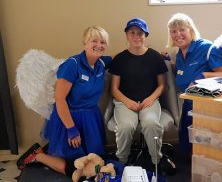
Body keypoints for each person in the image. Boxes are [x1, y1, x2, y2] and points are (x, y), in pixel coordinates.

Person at [16, 26, 112, 178]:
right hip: (69, 117)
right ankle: (36, 155)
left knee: (93, 161)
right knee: (74, 168)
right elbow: (59, 99)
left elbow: (123, 57)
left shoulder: (102, 63)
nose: (99, 45)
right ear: (84, 44)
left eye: (103, 42)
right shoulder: (71, 65)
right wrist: (71, 129)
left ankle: (53, 151)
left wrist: (158, 55)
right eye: (94, 41)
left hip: (91, 117)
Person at [163, 13, 222, 154]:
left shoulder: (207, 48)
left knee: (204, 150)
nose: (178, 34)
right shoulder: (179, 53)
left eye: (182, 29)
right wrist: (167, 61)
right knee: (187, 147)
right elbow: (183, 72)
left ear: (191, 30)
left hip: (208, 106)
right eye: (173, 31)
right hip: (189, 103)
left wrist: (203, 76)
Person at [108, 18, 168, 166]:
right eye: (132, 32)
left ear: (145, 35)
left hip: (149, 101)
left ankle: (156, 160)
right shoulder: (120, 59)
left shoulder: (155, 57)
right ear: (126, 36)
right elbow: (114, 89)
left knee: (151, 123)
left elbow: (162, 85)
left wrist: (151, 98)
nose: (136, 36)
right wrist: (127, 102)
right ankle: (121, 161)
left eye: (140, 33)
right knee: (125, 126)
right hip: (125, 102)